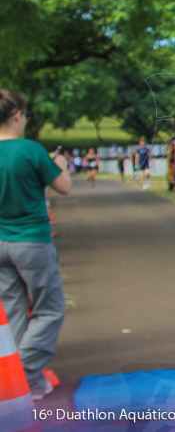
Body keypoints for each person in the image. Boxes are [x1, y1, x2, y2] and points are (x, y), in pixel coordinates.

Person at [0, 89, 71, 401]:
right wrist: (60, 163)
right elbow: (64, 186)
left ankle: (15, 380)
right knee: (50, 308)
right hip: (31, 241)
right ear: (17, 115)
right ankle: (26, 376)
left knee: (14, 310)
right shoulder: (30, 150)